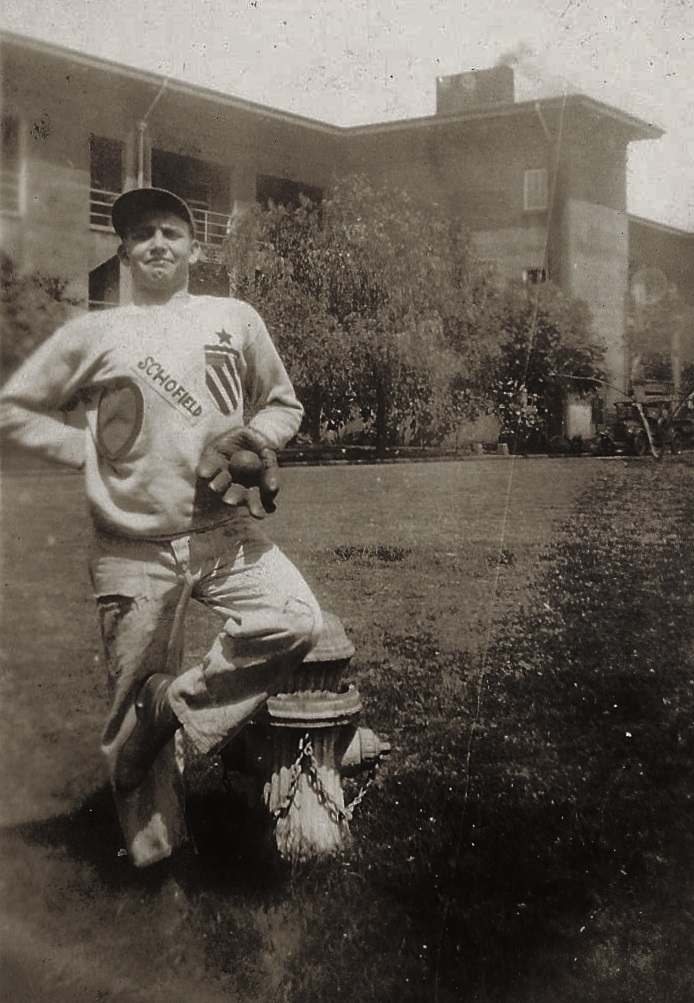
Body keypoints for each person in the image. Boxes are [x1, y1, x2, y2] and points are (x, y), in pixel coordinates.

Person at [0, 187, 323, 867]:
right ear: (123, 251)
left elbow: (282, 402)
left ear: (194, 249)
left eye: (170, 232)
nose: (156, 244)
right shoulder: (94, 333)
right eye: (142, 234)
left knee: (295, 618)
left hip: (224, 534)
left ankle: (175, 704)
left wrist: (257, 439)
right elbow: (13, 407)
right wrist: (86, 450)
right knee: (130, 724)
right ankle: (159, 869)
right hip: (132, 546)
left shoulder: (233, 317)